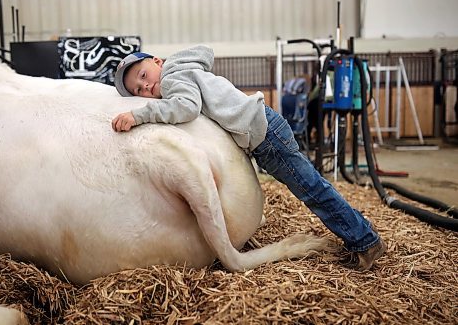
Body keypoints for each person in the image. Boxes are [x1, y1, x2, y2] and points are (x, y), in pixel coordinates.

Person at [111, 45, 387, 271]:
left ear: (157, 61)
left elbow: (186, 108)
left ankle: (365, 241)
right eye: (138, 90)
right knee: (311, 187)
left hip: (266, 136)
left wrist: (139, 114)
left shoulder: (173, 78)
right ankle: (361, 232)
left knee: (312, 189)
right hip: (264, 131)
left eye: (143, 75)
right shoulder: (185, 70)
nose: (145, 88)